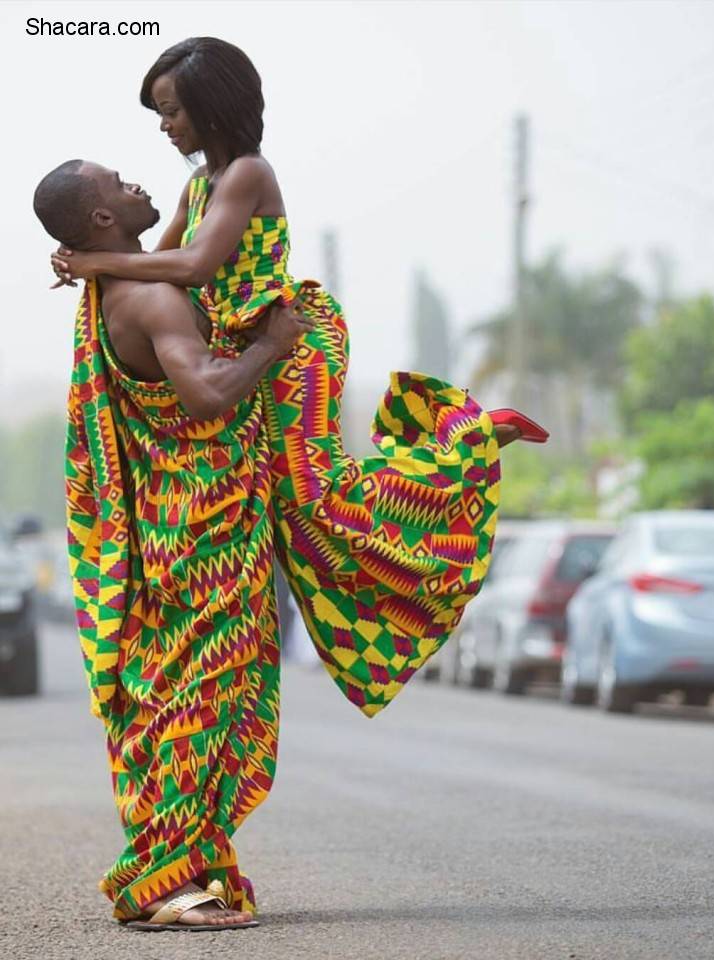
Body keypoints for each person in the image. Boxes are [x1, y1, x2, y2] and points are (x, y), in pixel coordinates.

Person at [51, 37, 548, 718]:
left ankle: (470, 442)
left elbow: (193, 266)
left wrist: (94, 264)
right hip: (249, 355)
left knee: (322, 506)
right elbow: (150, 261)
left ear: (208, 104)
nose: (165, 127)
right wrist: (94, 261)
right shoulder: (197, 185)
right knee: (296, 523)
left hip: (291, 346)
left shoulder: (247, 175)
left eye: (171, 111)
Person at [35, 159, 313, 930]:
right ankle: (162, 882)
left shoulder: (113, 287)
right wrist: (273, 345)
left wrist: (208, 179)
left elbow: (188, 227)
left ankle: (185, 866)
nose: (139, 182)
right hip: (205, 533)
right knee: (200, 700)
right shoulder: (156, 299)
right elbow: (206, 391)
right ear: (101, 220)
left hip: (165, 525)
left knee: (169, 696)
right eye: (120, 184)